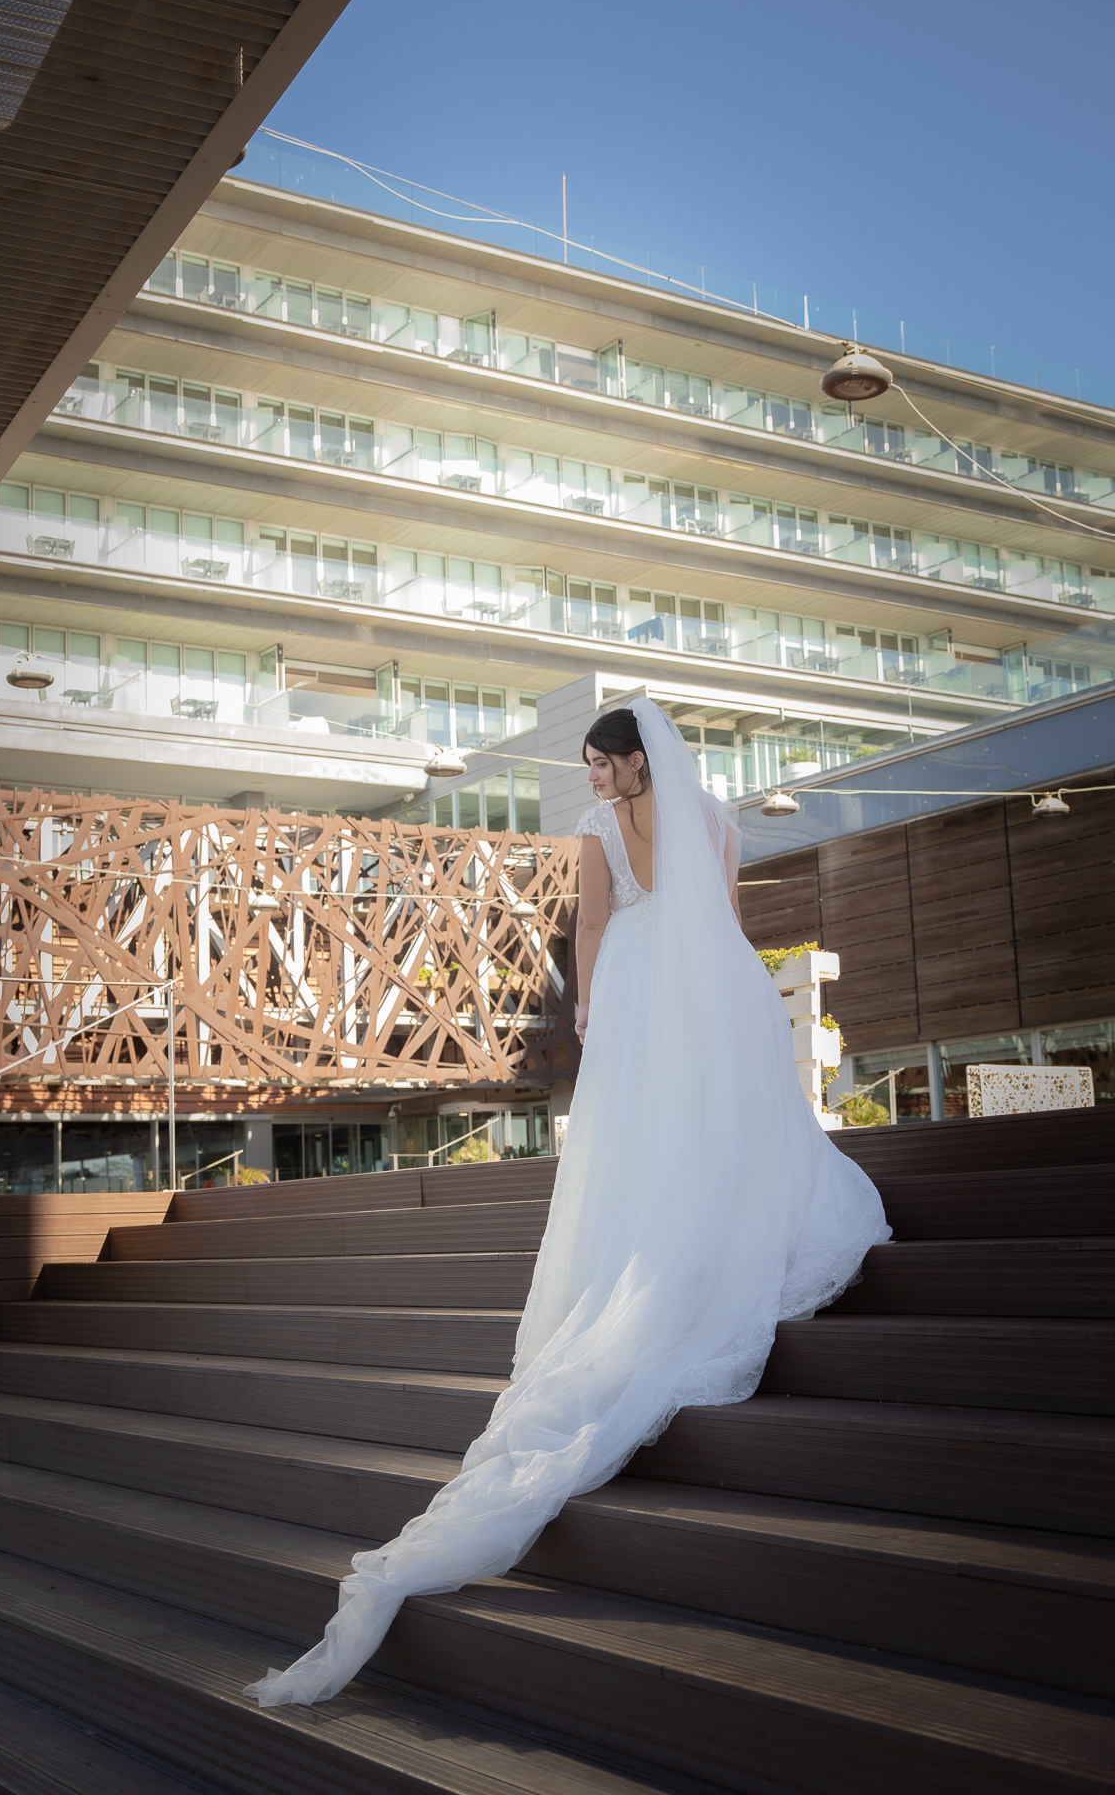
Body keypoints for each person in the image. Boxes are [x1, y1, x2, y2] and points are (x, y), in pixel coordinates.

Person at [245, 697, 890, 1708]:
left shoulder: (599, 833)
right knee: (714, 1121)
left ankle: (657, 1260)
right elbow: (725, 918)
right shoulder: (717, 821)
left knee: (641, 1137)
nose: (592, 781)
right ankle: (716, 1232)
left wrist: (587, 1001)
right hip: (713, 979)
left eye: (600, 764)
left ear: (635, 763)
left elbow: (592, 919)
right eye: (590, 767)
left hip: (639, 976)